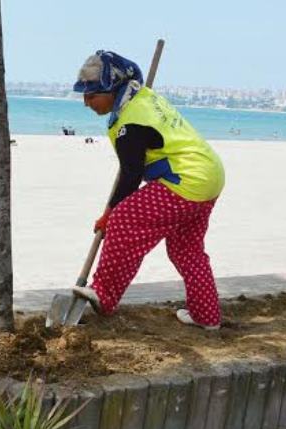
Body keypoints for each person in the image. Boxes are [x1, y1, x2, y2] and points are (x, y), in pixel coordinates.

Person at [71, 50, 225, 330]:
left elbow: (130, 177)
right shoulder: (142, 99)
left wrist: (109, 213)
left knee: (124, 221)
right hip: (210, 174)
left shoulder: (131, 121)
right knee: (186, 250)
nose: (86, 102)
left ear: (112, 89)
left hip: (185, 179)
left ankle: (104, 294)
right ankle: (207, 316)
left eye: (91, 95)